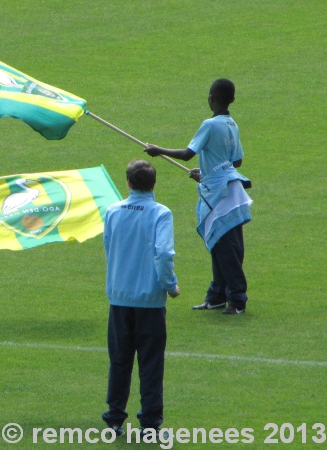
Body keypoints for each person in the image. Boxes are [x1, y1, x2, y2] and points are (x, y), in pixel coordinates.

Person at [145, 78, 252, 315]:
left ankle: (237, 300)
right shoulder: (232, 124)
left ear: (210, 99)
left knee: (225, 248)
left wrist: (158, 151)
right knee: (220, 244)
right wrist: (207, 173)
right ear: (232, 99)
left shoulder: (210, 125)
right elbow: (237, 161)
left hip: (218, 196)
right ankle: (217, 296)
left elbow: (186, 154)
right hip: (231, 190)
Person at [102, 160, 179, 436]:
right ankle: (150, 423)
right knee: (151, 363)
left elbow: (110, 248)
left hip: (120, 297)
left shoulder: (113, 211)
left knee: (120, 360)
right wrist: (170, 284)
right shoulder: (161, 213)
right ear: (153, 184)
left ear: (129, 183)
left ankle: (114, 418)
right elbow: (164, 254)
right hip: (149, 300)